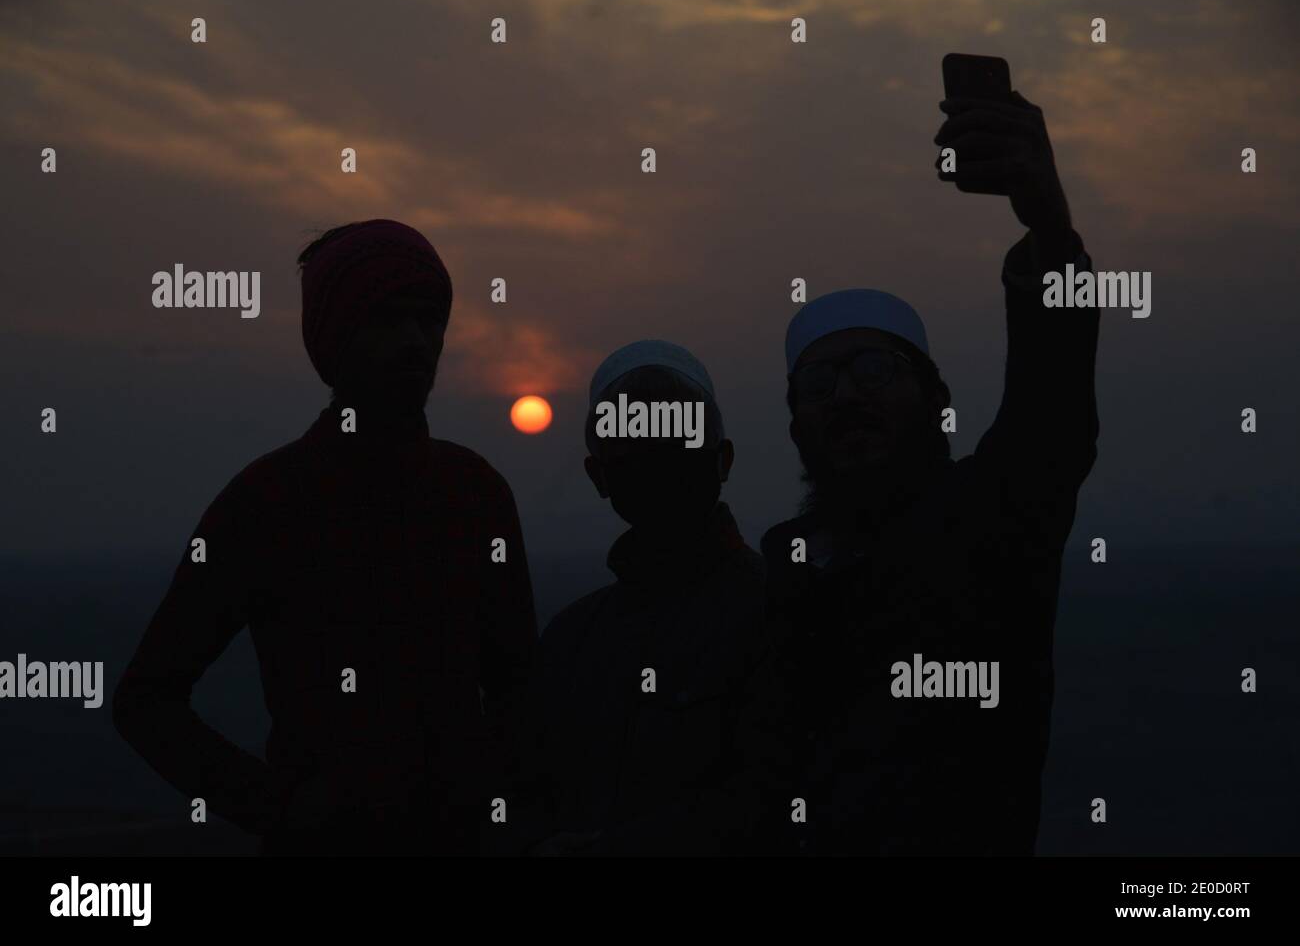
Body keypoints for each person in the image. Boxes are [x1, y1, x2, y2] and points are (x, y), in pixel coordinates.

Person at [741, 88, 1100, 854]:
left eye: (873, 370)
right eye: (819, 384)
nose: (845, 396)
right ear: (795, 422)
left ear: (935, 397)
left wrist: (1047, 224)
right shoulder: (786, 559)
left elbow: (1052, 402)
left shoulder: (996, 513)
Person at [113, 219, 537, 855]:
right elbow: (146, 700)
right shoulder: (265, 504)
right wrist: (279, 806)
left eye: (429, 320)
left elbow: (519, 694)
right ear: (335, 340)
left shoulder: (477, 494)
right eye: (388, 319)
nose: (416, 342)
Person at [518, 341, 765, 856]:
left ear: (723, 460)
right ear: (598, 476)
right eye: (634, 439)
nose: (656, 454)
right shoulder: (568, 642)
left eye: (675, 436)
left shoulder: (787, 609)